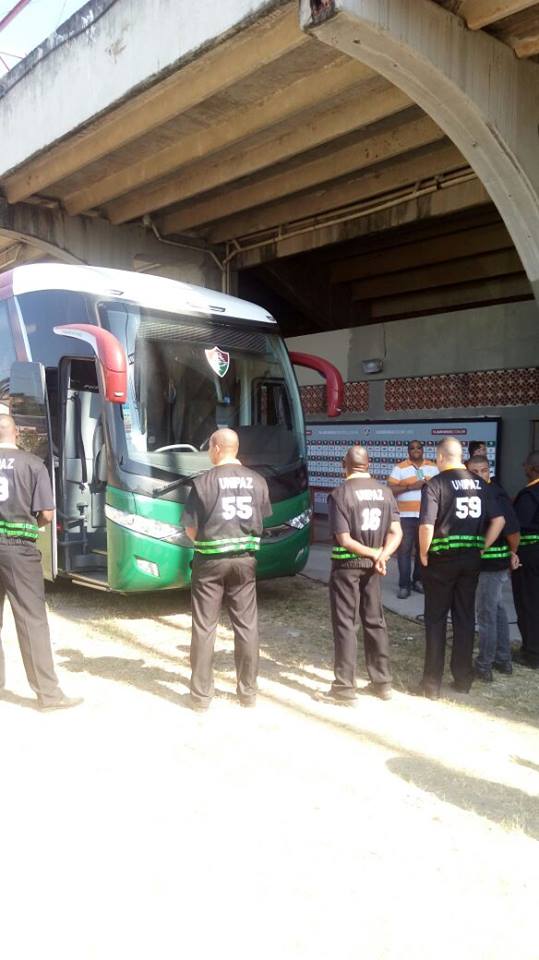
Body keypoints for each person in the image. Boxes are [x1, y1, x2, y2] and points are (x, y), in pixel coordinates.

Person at [182, 428, 271, 711]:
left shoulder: (203, 483)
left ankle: (200, 697)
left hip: (209, 563)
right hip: (245, 562)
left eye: (209, 447)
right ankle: (248, 693)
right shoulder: (258, 481)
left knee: (204, 627)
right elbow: (263, 519)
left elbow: (190, 529)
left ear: (217, 448)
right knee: (246, 626)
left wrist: (208, 544)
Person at [0, 415, 83, 711]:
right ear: (16, 433)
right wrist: (30, 526)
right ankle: (48, 695)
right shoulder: (33, 465)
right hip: (19, 551)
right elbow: (47, 513)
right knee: (31, 620)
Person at [415, 437, 505, 699]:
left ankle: (431, 685)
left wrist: (423, 552)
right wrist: (482, 548)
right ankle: (463, 679)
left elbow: (426, 525)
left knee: (436, 619)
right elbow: (499, 521)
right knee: (465, 618)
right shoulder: (481, 484)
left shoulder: (435, 484)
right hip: (471, 561)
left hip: (440, 561)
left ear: (441, 457)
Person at [319, 445, 402, 704]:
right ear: (369, 464)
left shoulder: (340, 494)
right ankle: (383, 683)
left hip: (346, 567)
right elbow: (396, 532)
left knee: (346, 624)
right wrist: (382, 555)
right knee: (375, 620)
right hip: (374, 567)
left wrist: (374, 553)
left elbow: (344, 540)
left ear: (344, 465)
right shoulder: (385, 492)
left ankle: (344, 688)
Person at [467, 454, 520, 680]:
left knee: (486, 614)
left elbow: (512, 529)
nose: (480, 475)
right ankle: (502, 659)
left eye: (484, 471)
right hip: (489, 563)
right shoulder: (476, 492)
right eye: (475, 472)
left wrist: (512, 552)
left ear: (490, 471)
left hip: (492, 564)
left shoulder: (494, 493)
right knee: (496, 609)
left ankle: (484, 665)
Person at [387, 440, 438, 598]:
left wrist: (430, 486)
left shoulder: (433, 467)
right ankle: (404, 585)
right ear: (408, 451)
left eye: (419, 447)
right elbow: (390, 489)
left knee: (423, 549)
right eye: (412, 448)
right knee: (404, 551)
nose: (416, 450)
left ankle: (418, 581)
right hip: (405, 517)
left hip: (426, 516)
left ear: (423, 450)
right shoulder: (400, 468)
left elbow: (440, 488)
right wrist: (410, 486)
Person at [511, 450, 539, 670]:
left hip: (530, 556)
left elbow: (519, 527)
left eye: (526, 465)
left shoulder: (529, 495)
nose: (523, 468)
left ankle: (531, 653)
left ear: (533, 468)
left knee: (528, 602)